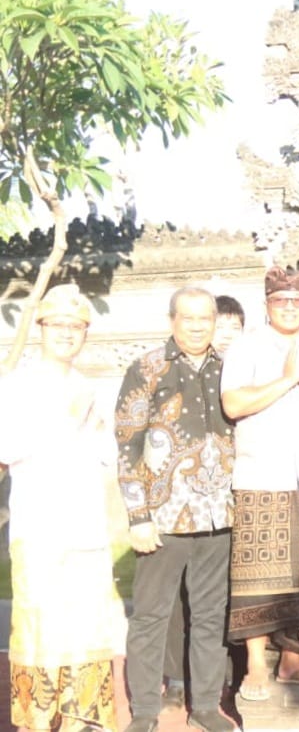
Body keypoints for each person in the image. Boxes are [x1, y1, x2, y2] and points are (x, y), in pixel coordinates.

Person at [1, 285, 127, 732]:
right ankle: (37, 718)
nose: (67, 333)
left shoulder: (89, 387)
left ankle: (81, 717)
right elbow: (7, 448)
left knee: (87, 624)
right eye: (58, 325)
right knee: (39, 624)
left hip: (86, 527)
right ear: (41, 327)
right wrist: (65, 423)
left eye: (76, 327)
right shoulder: (16, 385)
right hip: (39, 528)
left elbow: (106, 454)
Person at [116, 286, 238, 732]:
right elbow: (127, 445)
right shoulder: (148, 368)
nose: (197, 326)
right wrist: (138, 516)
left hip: (218, 514)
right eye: (188, 318)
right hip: (164, 515)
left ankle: (204, 705)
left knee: (209, 616)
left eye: (205, 318)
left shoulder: (229, 367)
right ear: (172, 320)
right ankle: (145, 711)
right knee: (151, 616)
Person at [220, 268, 299, 702]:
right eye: (281, 300)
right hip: (261, 474)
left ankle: (293, 659)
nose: (289, 307)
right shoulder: (246, 347)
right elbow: (233, 404)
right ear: (267, 304)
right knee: (257, 572)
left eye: (297, 301)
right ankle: (254, 663)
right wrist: (288, 379)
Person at [163, 294, 246, 709]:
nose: (225, 334)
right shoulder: (179, 370)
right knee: (179, 593)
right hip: (184, 500)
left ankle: (223, 675)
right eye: (221, 325)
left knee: (224, 594)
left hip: (233, 496)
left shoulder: (243, 371)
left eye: (234, 327)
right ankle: (177, 676)